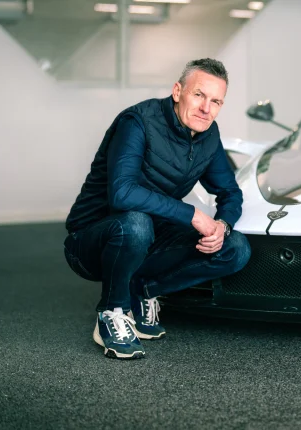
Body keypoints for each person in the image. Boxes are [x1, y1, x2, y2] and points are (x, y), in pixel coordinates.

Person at [63, 58, 250, 360]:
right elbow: (122, 193)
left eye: (216, 101)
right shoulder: (137, 121)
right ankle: (112, 310)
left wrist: (222, 227)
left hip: (149, 233)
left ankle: (142, 288)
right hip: (91, 241)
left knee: (236, 248)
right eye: (199, 95)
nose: (206, 108)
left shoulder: (208, 135)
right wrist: (193, 215)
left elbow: (230, 192)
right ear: (178, 91)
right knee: (136, 224)